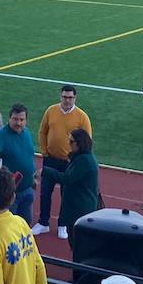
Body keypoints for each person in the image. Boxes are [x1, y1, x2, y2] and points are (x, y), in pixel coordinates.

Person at [34, 84, 93, 239]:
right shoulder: (51, 111)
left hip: (69, 162)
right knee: (45, 192)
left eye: (70, 97)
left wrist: (75, 158)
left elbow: (87, 141)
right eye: (64, 97)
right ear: (60, 96)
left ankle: (62, 225)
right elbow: (43, 131)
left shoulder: (82, 117)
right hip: (50, 159)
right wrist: (44, 151)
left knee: (66, 195)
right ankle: (43, 222)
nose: (67, 100)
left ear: (75, 98)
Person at [42, 127, 100, 241]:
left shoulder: (84, 160)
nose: (69, 144)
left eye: (71, 142)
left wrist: (46, 171)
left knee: (78, 242)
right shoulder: (82, 157)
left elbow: (67, 178)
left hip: (80, 209)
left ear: (80, 143)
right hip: (79, 207)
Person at [0, 103, 37, 224]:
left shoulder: (27, 133)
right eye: (15, 119)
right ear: (9, 118)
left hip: (28, 189)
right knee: (9, 227)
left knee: (25, 225)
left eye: (21, 120)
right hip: (11, 194)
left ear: (26, 120)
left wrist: (33, 176)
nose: (18, 123)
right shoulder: (1, 135)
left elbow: (30, 155)